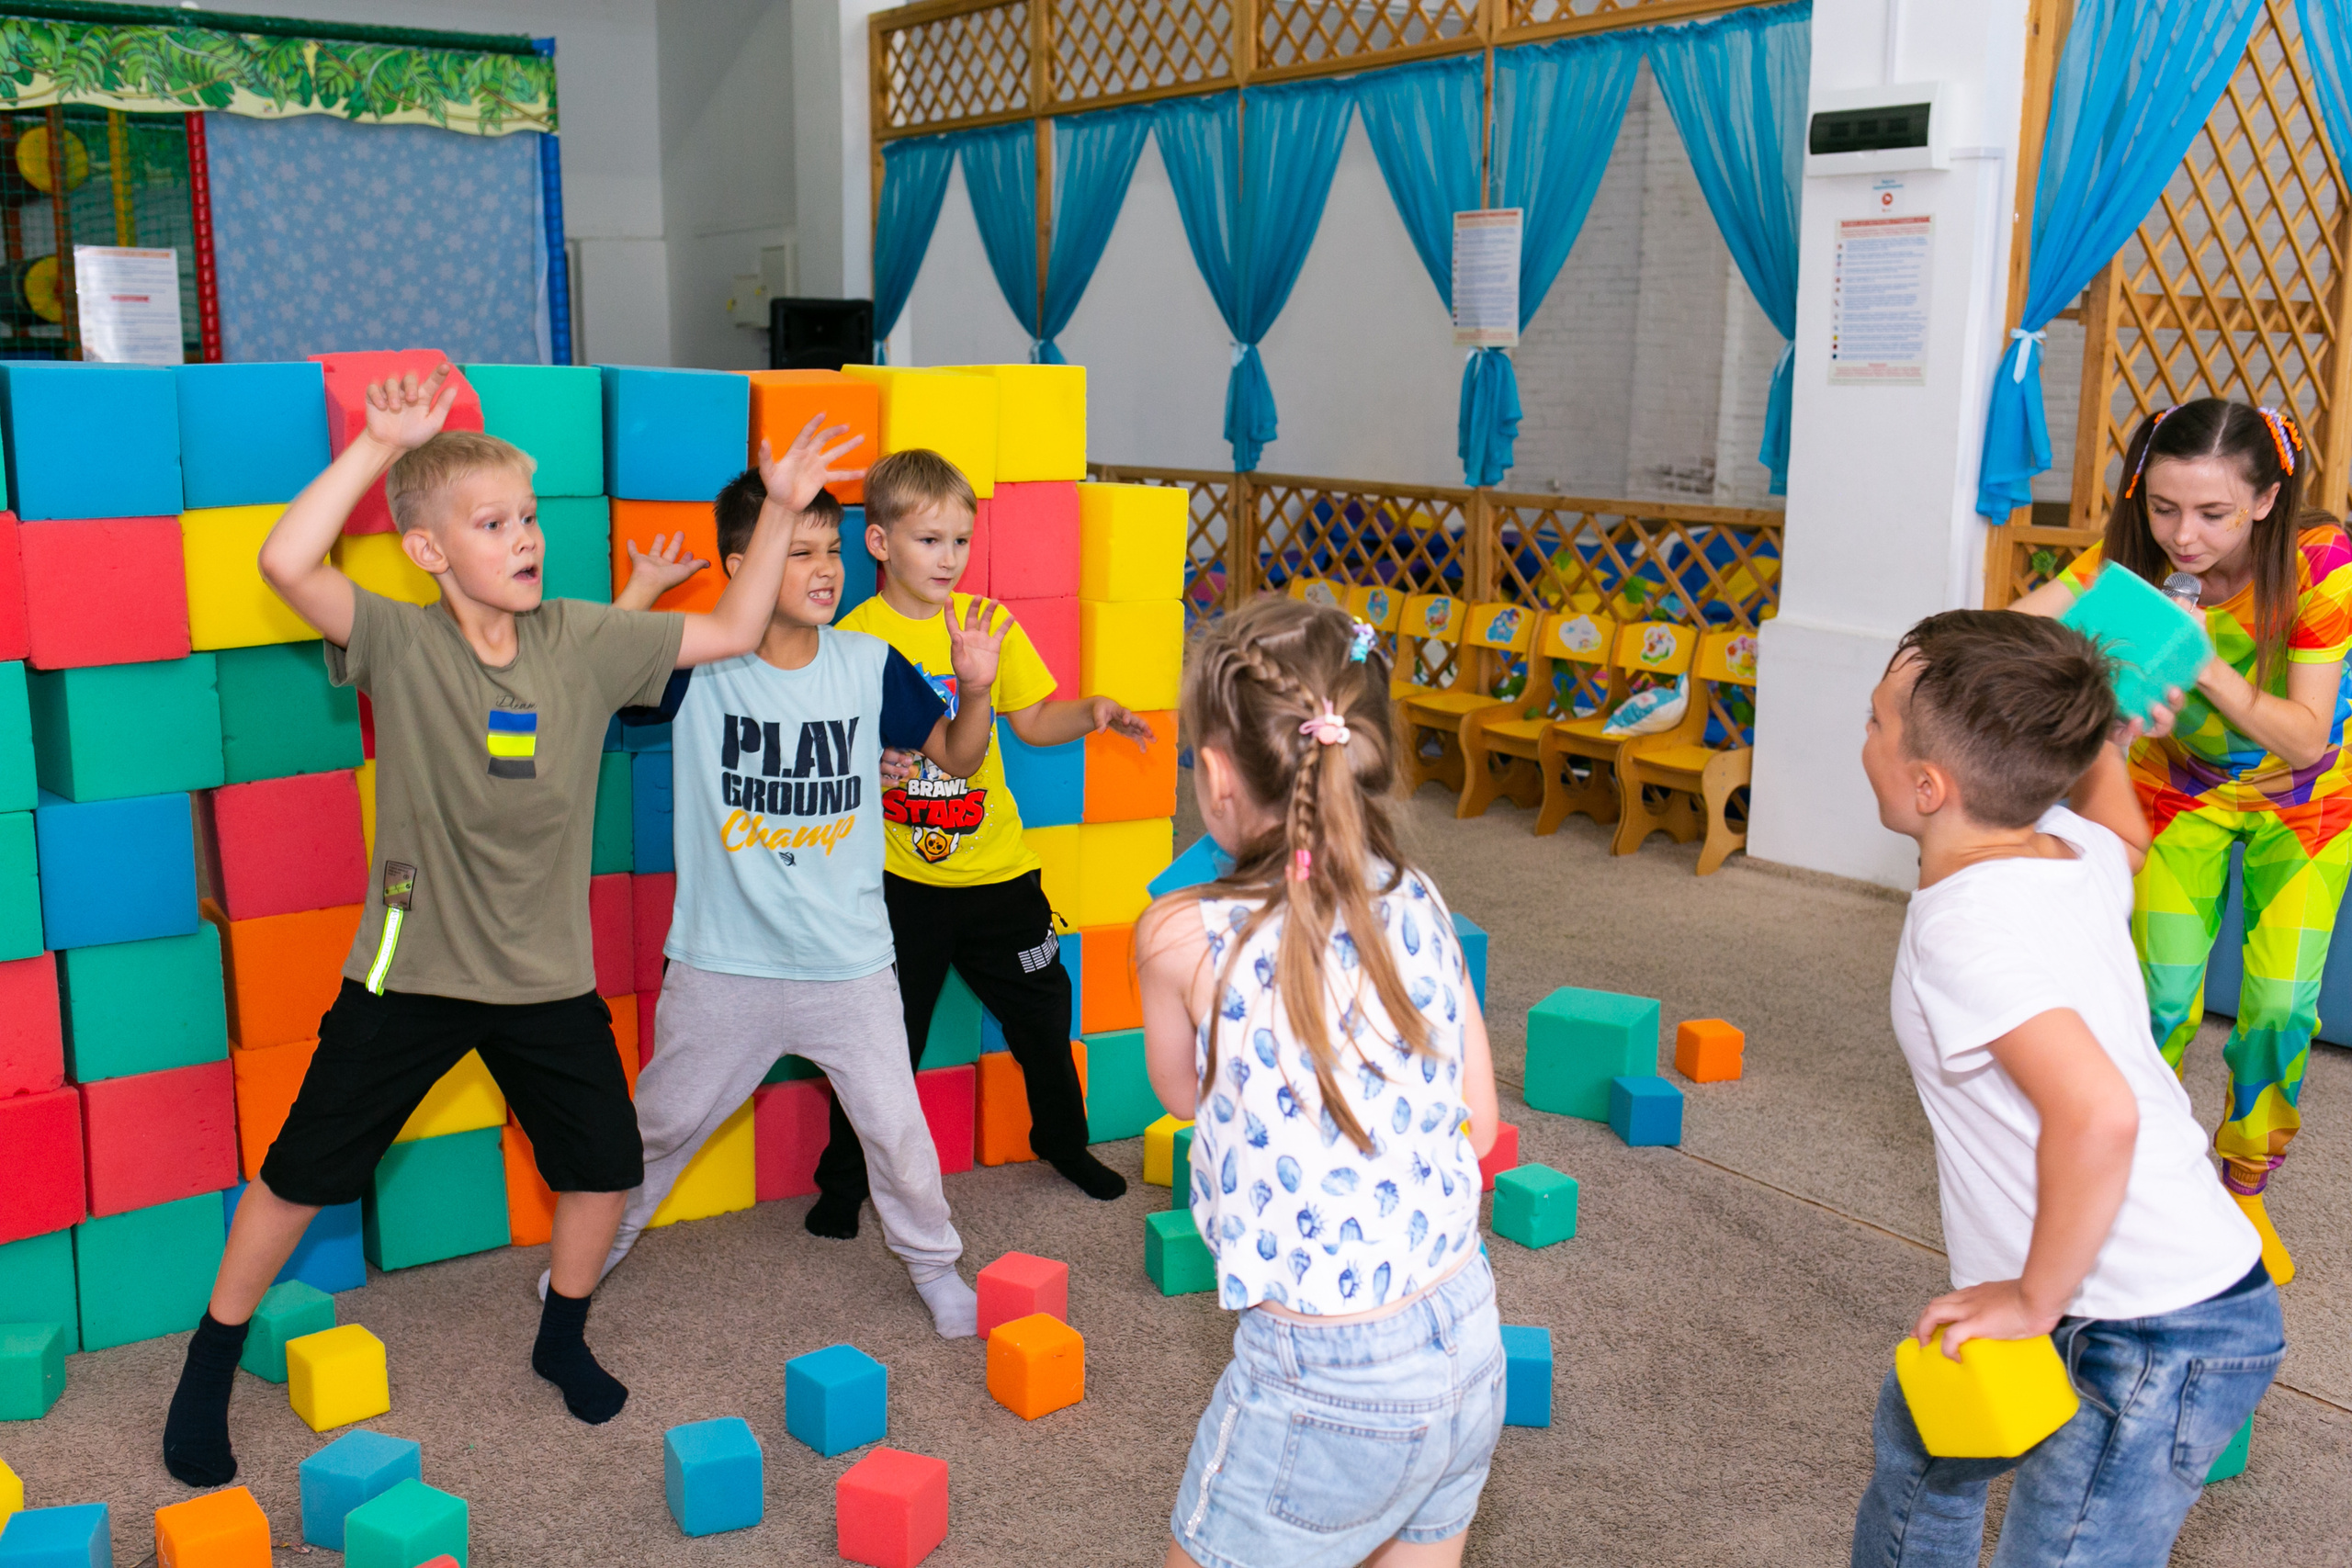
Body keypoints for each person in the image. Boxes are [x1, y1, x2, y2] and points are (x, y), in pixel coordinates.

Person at [161, 364, 863, 1485]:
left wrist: (780, 509)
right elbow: (285, 563)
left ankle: (562, 1333)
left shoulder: (584, 637)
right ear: (431, 551)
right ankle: (206, 1366)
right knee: (303, 1170)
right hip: (411, 961)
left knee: (604, 1163)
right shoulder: (399, 639)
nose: (526, 538)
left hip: (545, 973)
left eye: (529, 518)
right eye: (493, 524)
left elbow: (732, 627)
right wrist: (379, 451)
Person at [1851, 609, 2281, 1566]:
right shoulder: (2064, 845)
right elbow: (2125, 840)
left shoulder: (1966, 930)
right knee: (1922, 1456)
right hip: (2102, 1292)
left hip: (2152, 1328)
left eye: (1877, 722)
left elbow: (2096, 1113)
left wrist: (2033, 1300)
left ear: (1927, 785)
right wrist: (2105, 743)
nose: (1865, 734)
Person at [574, 479, 1003, 1336]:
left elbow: (956, 760)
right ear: (747, 564)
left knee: (899, 1134)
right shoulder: (698, 666)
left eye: (833, 550)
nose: (825, 570)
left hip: (848, 965)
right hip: (721, 963)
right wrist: (643, 595)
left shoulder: (868, 664)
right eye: (800, 551)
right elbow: (588, 678)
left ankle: (934, 1264)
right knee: (654, 1133)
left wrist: (975, 687)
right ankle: (582, 1271)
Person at [1134, 596, 1505, 1568]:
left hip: (1321, 1375)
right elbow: (1480, 1119)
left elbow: (1177, 1093)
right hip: (1465, 1327)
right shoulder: (1419, 897)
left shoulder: (1179, 934)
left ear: (1215, 776)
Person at [2012, 397, 2348, 1285]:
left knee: (2279, 1006)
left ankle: (2242, 1187)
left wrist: (2202, 662)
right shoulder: (2132, 558)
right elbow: (2017, 630)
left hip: (2305, 798)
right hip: (2178, 787)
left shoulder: (2323, 562)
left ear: (2267, 502)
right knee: (2155, 999)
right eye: (2163, 508)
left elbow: (2307, 736)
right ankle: (2143, 1180)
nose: (2183, 536)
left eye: (2213, 513)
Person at [806, 449, 1150, 1234]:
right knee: (881, 1038)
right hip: (901, 884)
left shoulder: (990, 622)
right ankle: (843, 1179)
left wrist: (1090, 709)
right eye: (930, 540)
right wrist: (877, 768)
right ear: (881, 543)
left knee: (1044, 1016)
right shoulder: (854, 637)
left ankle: (1063, 1141)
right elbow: (834, 756)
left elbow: (1031, 720)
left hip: (998, 872)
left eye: (960, 540)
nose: (949, 558)